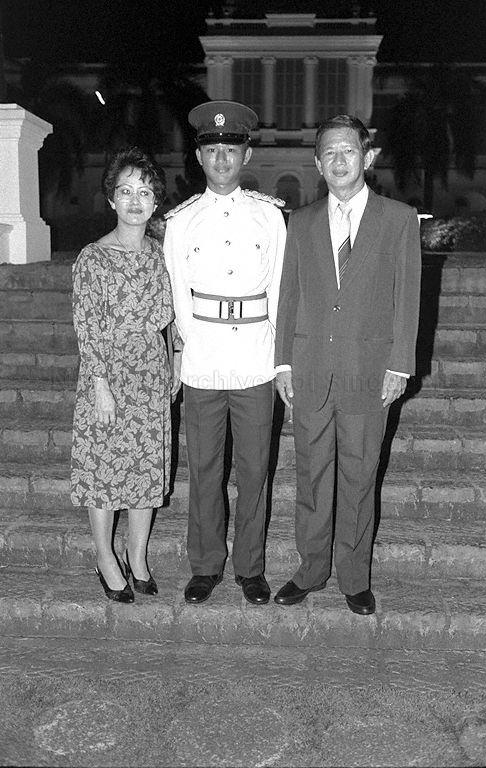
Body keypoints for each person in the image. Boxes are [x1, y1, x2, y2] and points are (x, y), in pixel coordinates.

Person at [273, 115, 421, 615]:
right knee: (312, 476)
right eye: (329, 153)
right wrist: (282, 364)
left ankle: (355, 576)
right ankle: (311, 569)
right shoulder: (302, 222)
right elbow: (288, 296)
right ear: (317, 163)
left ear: (367, 157)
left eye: (349, 151)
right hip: (311, 368)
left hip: (368, 371)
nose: (339, 160)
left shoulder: (398, 220)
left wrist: (400, 364)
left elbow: (408, 297)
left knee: (359, 476)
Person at [164, 100, 286, 605]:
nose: (221, 160)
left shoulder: (270, 218)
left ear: (247, 154)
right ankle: (206, 565)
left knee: (256, 469)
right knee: (206, 470)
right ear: (199, 157)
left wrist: (280, 360)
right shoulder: (181, 223)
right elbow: (176, 295)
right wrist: (187, 350)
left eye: (230, 150)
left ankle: (250, 568)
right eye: (212, 150)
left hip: (255, 357)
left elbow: (280, 290)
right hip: (203, 360)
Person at [71, 147, 180, 603]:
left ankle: (137, 556)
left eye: (145, 192)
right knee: (103, 470)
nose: (135, 200)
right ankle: (105, 557)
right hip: (109, 376)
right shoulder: (93, 259)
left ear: (155, 202)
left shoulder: (159, 255)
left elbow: (171, 316)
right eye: (125, 191)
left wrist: (174, 358)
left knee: (144, 470)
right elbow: (87, 323)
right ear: (112, 199)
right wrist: (100, 386)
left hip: (151, 375)